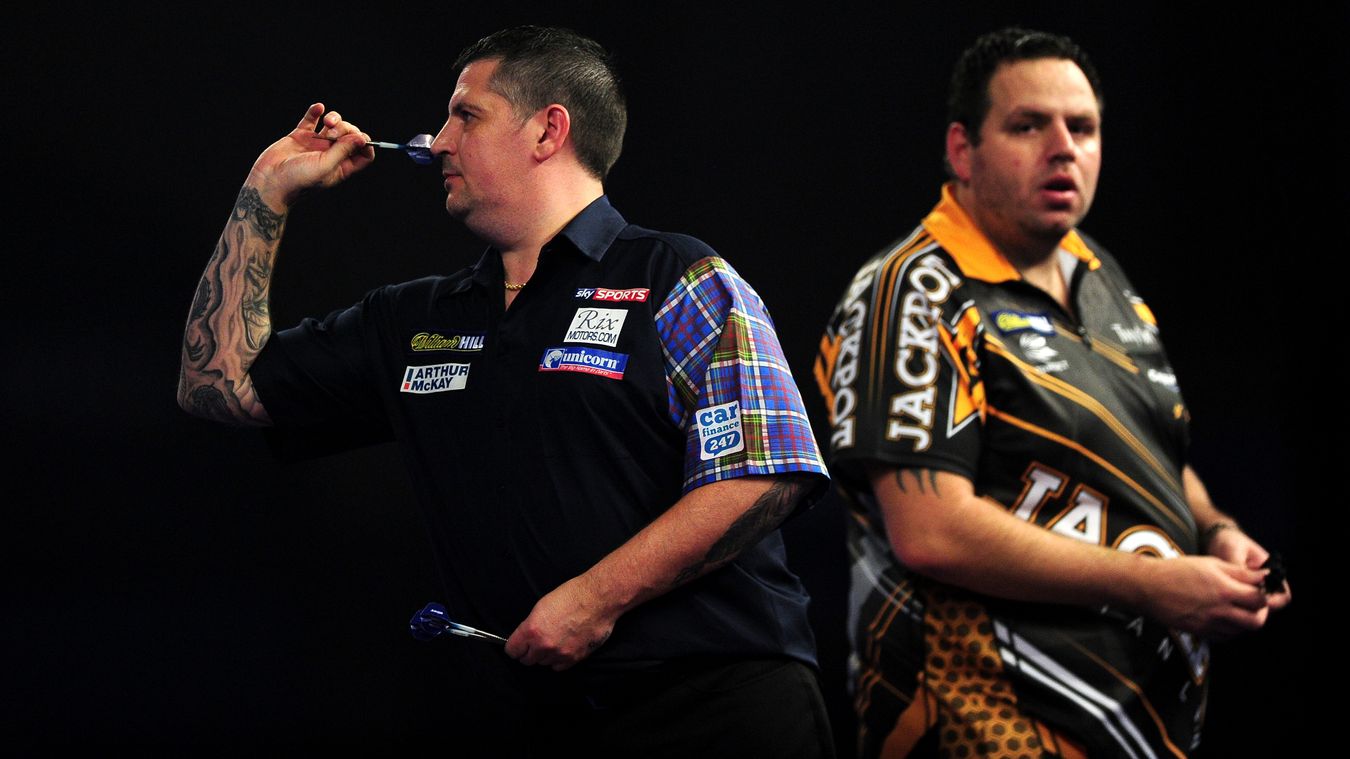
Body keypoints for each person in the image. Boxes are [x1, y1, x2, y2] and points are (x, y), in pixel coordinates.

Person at [178, 26, 833, 756]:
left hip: (716, 708)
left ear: (549, 130)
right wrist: (265, 193)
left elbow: (766, 471)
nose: (437, 143)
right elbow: (216, 385)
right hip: (531, 716)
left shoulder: (678, 276)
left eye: (467, 115)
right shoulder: (415, 320)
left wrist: (593, 600)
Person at [814, 27, 1290, 758]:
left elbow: (1151, 455)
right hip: (988, 725)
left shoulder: (1097, 271)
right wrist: (1150, 585)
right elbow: (931, 531)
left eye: (1083, 128)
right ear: (962, 150)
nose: (1063, 148)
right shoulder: (913, 291)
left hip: (1140, 730)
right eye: (1028, 125)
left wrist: (1216, 530)